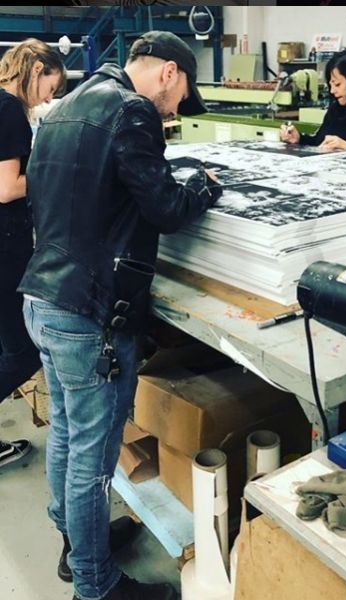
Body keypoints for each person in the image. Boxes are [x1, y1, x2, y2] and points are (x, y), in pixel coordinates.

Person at [19, 31, 222, 600]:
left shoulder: (64, 107)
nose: (177, 108)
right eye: (182, 95)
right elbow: (163, 208)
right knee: (91, 458)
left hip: (43, 298)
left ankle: (74, 544)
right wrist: (202, 187)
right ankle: (95, 584)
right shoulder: (133, 111)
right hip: (88, 314)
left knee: (65, 433)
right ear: (168, 74)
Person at [0, 39, 66, 468]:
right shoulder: (8, 110)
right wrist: (50, 172)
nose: (49, 98)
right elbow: (8, 188)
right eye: (50, 88)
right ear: (38, 68)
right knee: (23, 353)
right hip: (5, 247)